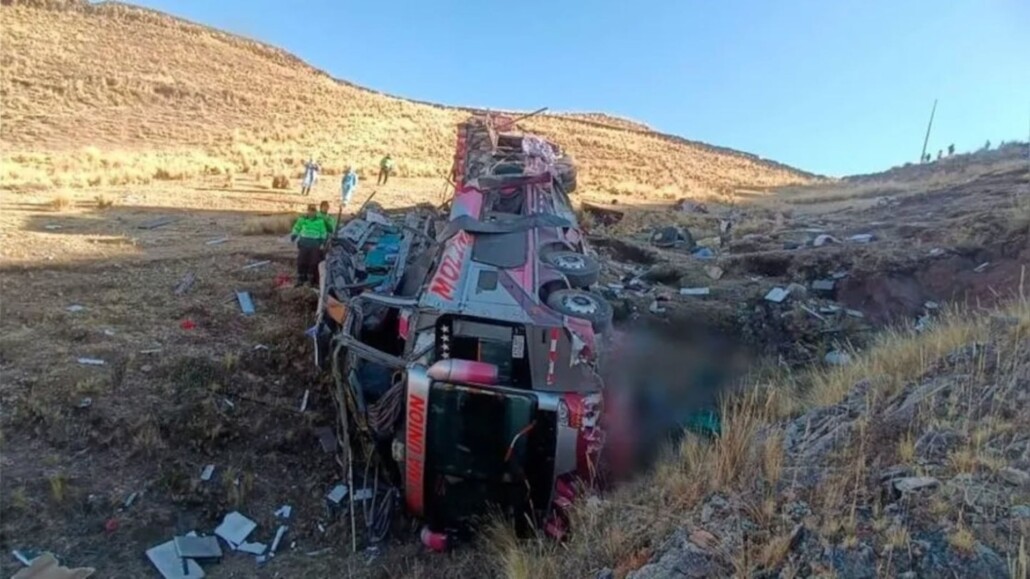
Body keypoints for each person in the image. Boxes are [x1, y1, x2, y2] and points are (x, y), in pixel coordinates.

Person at [291, 204, 331, 287]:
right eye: (310, 210)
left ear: (315, 212)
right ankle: (301, 279)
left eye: (313, 211)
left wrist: (323, 241)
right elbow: (297, 227)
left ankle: (310, 280)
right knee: (301, 261)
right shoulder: (302, 219)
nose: (311, 212)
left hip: (315, 244)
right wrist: (294, 235)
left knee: (313, 262)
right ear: (308, 211)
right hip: (304, 243)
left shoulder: (320, 221)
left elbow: (323, 232)